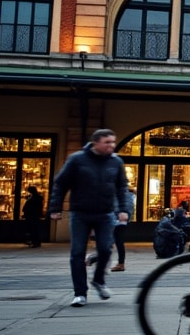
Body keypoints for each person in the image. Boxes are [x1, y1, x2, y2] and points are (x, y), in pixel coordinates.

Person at [48, 128, 132, 307]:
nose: (111, 145)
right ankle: (80, 293)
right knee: (77, 253)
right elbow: (61, 184)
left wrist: (123, 210)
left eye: (113, 142)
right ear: (95, 143)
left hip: (105, 213)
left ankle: (99, 280)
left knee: (106, 250)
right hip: (80, 213)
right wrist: (55, 207)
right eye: (107, 142)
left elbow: (121, 188)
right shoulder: (77, 160)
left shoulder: (116, 162)